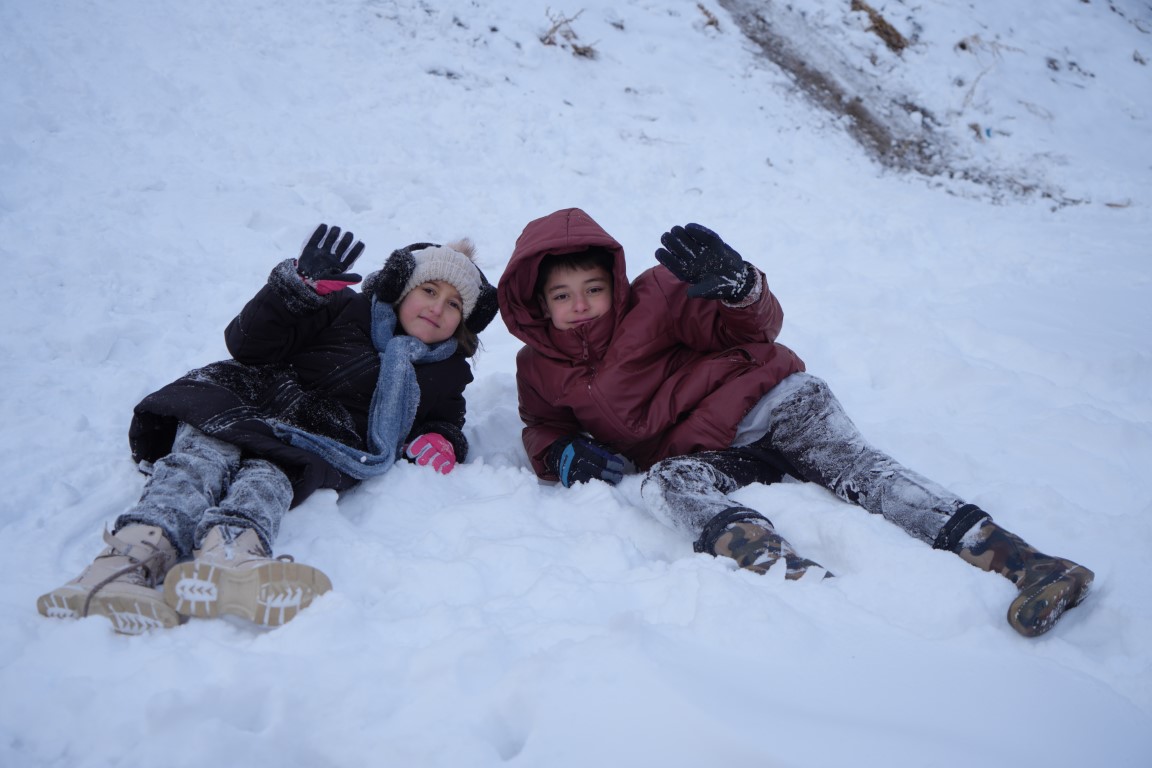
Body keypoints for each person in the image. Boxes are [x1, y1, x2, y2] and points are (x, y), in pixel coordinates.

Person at [497, 207, 1093, 638]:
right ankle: (793, 580)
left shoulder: (657, 298)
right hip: (711, 451)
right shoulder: (539, 367)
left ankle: (1029, 564)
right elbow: (541, 425)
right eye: (563, 295)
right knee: (666, 485)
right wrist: (562, 454)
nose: (580, 305)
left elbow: (752, 328)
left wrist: (741, 291)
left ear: (614, 283)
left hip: (776, 402)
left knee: (866, 475)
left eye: (593, 288)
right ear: (537, 305)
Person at [38, 223, 498, 634]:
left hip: (312, 438)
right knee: (198, 464)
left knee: (269, 482)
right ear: (399, 289)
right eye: (428, 290)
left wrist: (443, 438)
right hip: (244, 397)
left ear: (464, 322)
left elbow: (446, 418)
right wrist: (297, 291)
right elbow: (248, 343)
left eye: (454, 303)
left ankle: (230, 557)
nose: (438, 307)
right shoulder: (341, 307)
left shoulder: (445, 372)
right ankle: (126, 559)